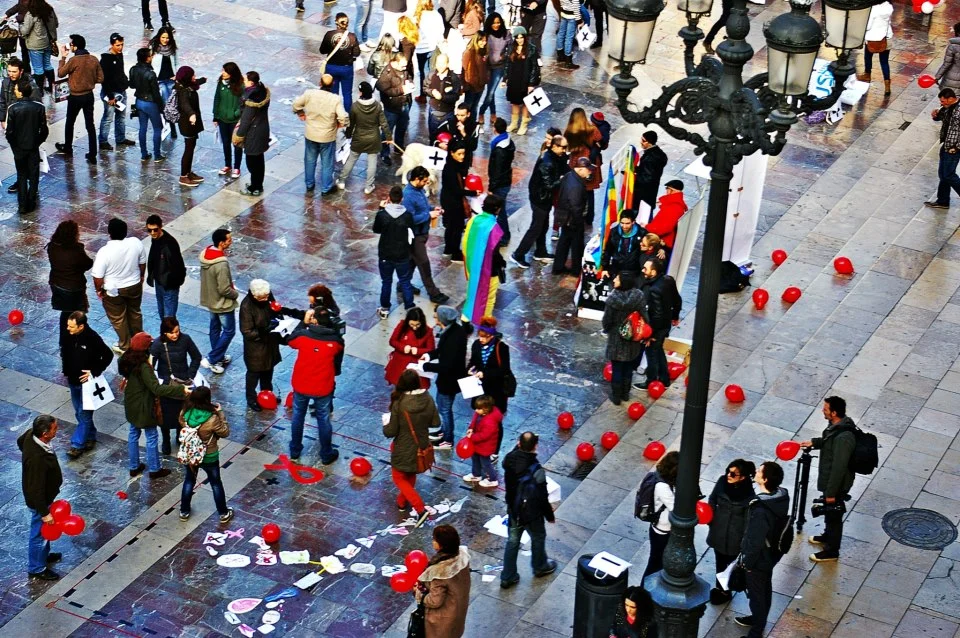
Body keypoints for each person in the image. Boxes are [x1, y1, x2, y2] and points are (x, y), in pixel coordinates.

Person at [118, 332, 189, 479]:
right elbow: (156, 388)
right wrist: (180, 389)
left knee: (133, 434)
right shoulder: (143, 366)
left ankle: (134, 466)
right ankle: (155, 469)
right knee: (151, 436)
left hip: (131, 403)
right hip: (144, 406)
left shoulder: (124, 359)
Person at [734, 461, 789, 638]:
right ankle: (759, 619)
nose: (756, 471)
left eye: (759, 471)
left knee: (757, 594)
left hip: (759, 559)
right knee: (765, 588)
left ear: (764, 479)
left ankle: (756, 631)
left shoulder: (760, 509)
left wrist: (747, 563)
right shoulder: (780, 498)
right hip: (771, 554)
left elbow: (754, 540)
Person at [798, 396, 855, 563]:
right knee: (830, 514)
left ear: (834, 413)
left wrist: (831, 492)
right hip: (830, 481)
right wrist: (814, 443)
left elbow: (839, 468)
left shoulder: (844, 437)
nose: (823, 411)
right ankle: (827, 536)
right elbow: (828, 442)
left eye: (826, 409)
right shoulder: (835, 427)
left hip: (836, 484)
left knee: (834, 515)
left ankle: (831, 551)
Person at [287, 308, 345, 464]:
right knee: (323, 419)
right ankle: (326, 453)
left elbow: (290, 340)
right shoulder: (335, 341)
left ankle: (295, 450)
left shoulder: (303, 336)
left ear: (314, 320)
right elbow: (339, 350)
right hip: (323, 386)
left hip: (301, 384)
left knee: (298, 416)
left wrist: (303, 323)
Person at [500, 431, 556, 588]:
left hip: (514, 509)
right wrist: (549, 515)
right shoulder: (536, 469)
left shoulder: (509, 459)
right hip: (532, 514)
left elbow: (511, 458)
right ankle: (540, 566)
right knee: (538, 537)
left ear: (518, 443)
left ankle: (507, 576)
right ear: (535, 447)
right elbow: (542, 496)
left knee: (512, 542)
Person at [384, 369, 440, 523]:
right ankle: (402, 502)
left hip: (402, 446)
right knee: (410, 474)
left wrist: (385, 424)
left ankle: (420, 509)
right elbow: (436, 423)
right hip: (421, 444)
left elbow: (390, 431)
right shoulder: (428, 398)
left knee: (398, 477)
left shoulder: (399, 403)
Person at [177, 386, 234, 524]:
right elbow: (225, 432)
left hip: (191, 454)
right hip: (209, 455)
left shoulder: (186, 412)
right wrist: (221, 414)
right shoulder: (212, 418)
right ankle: (223, 513)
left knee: (189, 480)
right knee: (215, 483)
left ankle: (184, 511)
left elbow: (181, 421)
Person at [61, 311, 113, 459]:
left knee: (84, 414)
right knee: (78, 412)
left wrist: (94, 371)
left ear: (81, 326)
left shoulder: (92, 338)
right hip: (73, 381)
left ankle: (77, 445)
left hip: (87, 384)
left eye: (71, 326)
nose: (68, 329)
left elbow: (108, 355)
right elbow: (65, 353)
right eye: (68, 326)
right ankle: (90, 436)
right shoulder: (68, 336)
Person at [510, 135, 568, 268]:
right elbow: (549, 185)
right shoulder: (547, 162)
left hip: (544, 198)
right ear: (554, 146)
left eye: (566, 147)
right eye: (562, 147)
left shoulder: (554, 157)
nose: (565, 150)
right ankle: (518, 254)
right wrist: (562, 179)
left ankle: (540, 251)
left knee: (543, 225)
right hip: (540, 199)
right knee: (536, 227)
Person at [92, 218, 147, 353]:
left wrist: (99, 290)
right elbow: (142, 262)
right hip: (134, 285)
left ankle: (125, 345)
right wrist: (141, 276)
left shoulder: (104, 252)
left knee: (118, 319)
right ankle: (139, 342)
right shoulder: (136, 243)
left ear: (109, 233)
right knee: (135, 312)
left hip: (113, 290)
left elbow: (97, 276)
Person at [18, 414, 63, 581]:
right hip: (40, 502)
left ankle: (42, 556)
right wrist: (45, 513)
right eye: (54, 429)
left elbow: (19, 441)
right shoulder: (37, 459)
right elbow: (36, 490)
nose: (56, 431)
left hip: (44, 498)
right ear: (45, 433)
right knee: (39, 533)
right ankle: (37, 567)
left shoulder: (31, 435)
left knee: (44, 532)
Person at [707, 458, 757, 605]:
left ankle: (725, 589)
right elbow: (712, 499)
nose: (729, 475)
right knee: (719, 560)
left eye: (734, 474)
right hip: (719, 530)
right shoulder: (722, 482)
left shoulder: (749, 496)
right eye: (729, 471)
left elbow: (748, 521)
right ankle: (720, 587)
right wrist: (712, 519)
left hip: (735, 536)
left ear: (742, 477)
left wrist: (744, 540)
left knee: (730, 564)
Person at [149, 317, 201, 455]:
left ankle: (179, 435)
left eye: (177, 331)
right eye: (171, 332)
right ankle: (165, 439)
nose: (175, 335)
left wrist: (190, 375)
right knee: (165, 415)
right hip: (167, 384)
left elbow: (196, 356)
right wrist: (159, 381)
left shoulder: (186, 339)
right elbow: (150, 366)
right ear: (164, 332)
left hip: (183, 382)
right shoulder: (158, 344)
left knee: (181, 412)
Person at [423, 306, 471, 449]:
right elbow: (442, 351)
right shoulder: (455, 330)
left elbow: (446, 366)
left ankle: (448, 440)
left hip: (448, 381)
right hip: (448, 380)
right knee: (442, 405)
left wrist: (426, 366)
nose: (435, 319)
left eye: (437, 317)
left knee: (445, 409)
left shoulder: (452, 338)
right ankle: (443, 431)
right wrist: (430, 355)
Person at [293, 74, 349, 195]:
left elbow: (296, 105)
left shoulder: (309, 94)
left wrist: (301, 113)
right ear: (333, 84)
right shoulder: (335, 99)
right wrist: (340, 125)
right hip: (327, 136)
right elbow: (343, 117)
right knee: (327, 163)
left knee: (309, 160)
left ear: (320, 83)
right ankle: (326, 187)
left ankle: (309, 184)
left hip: (311, 133)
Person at [403, 167, 450, 303]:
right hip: (415, 236)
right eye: (424, 181)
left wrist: (431, 209)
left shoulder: (418, 191)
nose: (426, 183)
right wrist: (428, 215)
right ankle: (433, 293)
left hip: (422, 233)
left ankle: (403, 284)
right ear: (416, 179)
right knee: (424, 263)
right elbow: (409, 219)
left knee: (412, 261)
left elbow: (422, 206)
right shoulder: (408, 196)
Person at [54, 34, 102, 165]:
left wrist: (63, 57)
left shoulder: (74, 61)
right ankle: (93, 153)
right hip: (89, 96)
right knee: (90, 125)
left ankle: (68, 147)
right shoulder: (93, 59)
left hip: (75, 96)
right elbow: (100, 78)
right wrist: (88, 81)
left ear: (75, 46)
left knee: (70, 122)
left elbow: (60, 73)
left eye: (71, 44)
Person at [415, 525, 471, 637]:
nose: (433, 542)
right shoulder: (462, 556)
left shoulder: (440, 572)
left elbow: (435, 601)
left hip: (442, 622)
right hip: (457, 611)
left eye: (434, 539)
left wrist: (418, 593)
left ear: (441, 545)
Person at [602, 271, 648, 404]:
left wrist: (608, 330)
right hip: (632, 339)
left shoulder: (612, 299)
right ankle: (625, 394)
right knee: (628, 367)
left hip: (616, 339)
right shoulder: (638, 296)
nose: (614, 280)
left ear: (622, 283)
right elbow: (644, 315)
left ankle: (616, 397)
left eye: (616, 278)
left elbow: (607, 320)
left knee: (617, 368)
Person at [337, 81, 390, 195]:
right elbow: (384, 123)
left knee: (351, 159)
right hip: (374, 138)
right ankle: (368, 186)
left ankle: (341, 180)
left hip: (359, 138)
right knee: (372, 163)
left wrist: (348, 136)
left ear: (361, 93)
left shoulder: (355, 106)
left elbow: (351, 124)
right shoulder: (377, 105)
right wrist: (389, 137)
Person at [635, 258, 681, 390]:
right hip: (665, 323)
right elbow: (677, 300)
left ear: (654, 272)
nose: (643, 270)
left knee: (651, 352)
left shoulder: (654, 289)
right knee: (658, 350)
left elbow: (657, 314)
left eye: (646, 269)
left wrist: (650, 335)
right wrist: (675, 316)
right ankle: (664, 379)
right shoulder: (668, 280)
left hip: (657, 327)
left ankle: (651, 381)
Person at [239, 279, 283, 412]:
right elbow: (247, 332)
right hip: (256, 349)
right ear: (254, 295)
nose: (266, 299)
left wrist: (278, 316)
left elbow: (274, 307)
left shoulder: (267, 295)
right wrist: (266, 329)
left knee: (268, 370)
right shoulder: (246, 306)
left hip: (270, 344)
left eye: (267, 296)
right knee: (254, 374)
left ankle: (267, 394)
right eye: (262, 297)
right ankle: (251, 398)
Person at [199, 228, 239, 375]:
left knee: (215, 328)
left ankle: (218, 357)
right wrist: (235, 295)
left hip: (210, 299)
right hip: (222, 303)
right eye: (229, 240)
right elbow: (224, 289)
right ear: (222, 243)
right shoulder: (221, 264)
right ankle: (212, 358)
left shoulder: (206, 254)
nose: (231, 242)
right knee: (229, 331)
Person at [5, 77, 47, 214]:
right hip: (33, 147)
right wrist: (37, 142)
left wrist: (15, 146)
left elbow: (9, 132)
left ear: (21, 92)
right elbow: (44, 130)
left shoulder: (13, 108)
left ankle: (22, 205)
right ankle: (32, 201)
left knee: (21, 175)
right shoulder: (39, 107)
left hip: (19, 149)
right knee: (34, 176)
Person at [47, 220, 93, 345]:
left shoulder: (51, 246)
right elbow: (88, 264)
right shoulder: (76, 250)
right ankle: (77, 340)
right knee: (78, 315)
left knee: (65, 312)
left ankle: (64, 340)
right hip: (74, 288)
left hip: (57, 285)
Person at [375, 185, 416, 318]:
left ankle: (385, 308)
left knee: (386, 282)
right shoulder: (407, 216)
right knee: (405, 281)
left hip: (386, 254)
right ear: (402, 199)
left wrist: (381, 209)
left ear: (389, 198)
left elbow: (376, 229)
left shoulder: (382, 215)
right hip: (402, 254)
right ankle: (410, 308)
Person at [462, 195, 505, 320]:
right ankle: (486, 324)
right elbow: (495, 253)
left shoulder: (473, 220)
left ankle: (465, 319)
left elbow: (465, 243)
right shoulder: (494, 228)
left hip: (472, 265)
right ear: (497, 209)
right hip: (489, 270)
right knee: (489, 298)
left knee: (472, 293)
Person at [552, 157, 593, 276]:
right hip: (573, 220)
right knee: (577, 245)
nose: (590, 171)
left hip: (565, 217)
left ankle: (558, 267)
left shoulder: (569, 176)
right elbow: (576, 206)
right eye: (588, 169)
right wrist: (579, 222)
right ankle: (575, 270)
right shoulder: (576, 185)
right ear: (580, 169)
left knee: (564, 242)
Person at [642, 450, 677, 580]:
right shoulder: (662, 486)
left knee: (658, 561)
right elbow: (675, 507)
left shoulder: (664, 479)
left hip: (663, 527)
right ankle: (644, 588)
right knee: (656, 562)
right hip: (662, 529)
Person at [233, 71, 270, 197]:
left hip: (253, 134)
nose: (243, 82)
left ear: (251, 82)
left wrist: (239, 136)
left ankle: (255, 187)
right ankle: (259, 185)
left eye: (245, 80)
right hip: (262, 130)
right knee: (259, 159)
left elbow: (246, 120)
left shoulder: (251, 100)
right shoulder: (262, 92)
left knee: (252, 162)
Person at [563, 107, 602, 224]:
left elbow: (567, 147)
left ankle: (576, 216)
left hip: (576, 163)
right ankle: (589, 218)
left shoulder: (569, 131)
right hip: (590, 162)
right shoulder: (593, 130)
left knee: (576, 190)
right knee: (589, 191)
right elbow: (602, 144)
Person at [145, 214, 186, 321]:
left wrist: (172, 282)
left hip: (169, 285)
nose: (152, 233)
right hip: (160, 282)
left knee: (169, 319)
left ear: (160, 227)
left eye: (155, 230)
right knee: (162, 314)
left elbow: (178, 265)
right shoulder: (156, 239)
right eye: (150, 230)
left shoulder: (169, 244)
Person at [925, 88, 960, 210]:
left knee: (948, 175)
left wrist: (956, 147)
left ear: (951, 99)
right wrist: (935, 114)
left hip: (953, 148)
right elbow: (940, 117)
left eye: (944, 101)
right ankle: (943, 201)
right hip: (946, 145)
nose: (942, 104)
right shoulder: (947, 108)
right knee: (943, 175)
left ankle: (943, 200)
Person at [319, 13, 361, 111]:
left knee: (333, 93)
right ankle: (348, 116)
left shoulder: (329, 34)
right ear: (347, 23)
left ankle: (333, 113)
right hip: (346, 68)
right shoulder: (352, 37)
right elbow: (357, 53)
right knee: (347, 94)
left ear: (336, 22)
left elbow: (322, 50)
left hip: (331, 67)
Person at [129, 47, 165, 162]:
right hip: (150, 103)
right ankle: (157, 155)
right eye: (150, 56)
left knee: (142, 128)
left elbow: (132, 85)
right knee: (157, 128)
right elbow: (155, 93)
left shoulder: (133, 69)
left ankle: (144, 154)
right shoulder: (151, 74)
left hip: (139, 101)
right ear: (147, 58)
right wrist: (161, 107)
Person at [98, 33, 133, 151]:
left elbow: (120, 71)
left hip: (121, 91)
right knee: (108, 117)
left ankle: (120, 138)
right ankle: (103, 141)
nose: (120, 47)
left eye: (122, 45)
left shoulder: (119, 55)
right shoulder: (105, 59)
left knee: (121, 116)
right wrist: (110, 96)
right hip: (112, 93)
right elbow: (104, 79)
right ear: (112, 45)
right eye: (118, 45)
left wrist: (125, 82)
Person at [440, 141, 474, 262]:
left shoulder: (453, 165)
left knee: (451, 226)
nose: (462, 156)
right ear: (452, 153)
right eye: (459, 154)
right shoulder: (450, 169)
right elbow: (457, 190)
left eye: (463, 154)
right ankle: (455, 252)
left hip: (448, 199)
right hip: (452, 202)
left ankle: (448, 249)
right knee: (456, 227)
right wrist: (473, 193)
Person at [376, 53, 412, 167]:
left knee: (402, 128)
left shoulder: (404, 70)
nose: (404, 68)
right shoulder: (386, 74)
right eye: (402, 66)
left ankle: (399, 147)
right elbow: (384, 89)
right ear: (395, 63)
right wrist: (401, 89)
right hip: (391, 107)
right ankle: (384, 153)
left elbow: (408, 76)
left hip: (404, 104)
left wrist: (409, 83)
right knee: (387, 132)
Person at [174, 66, 207, 187]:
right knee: (188, 149)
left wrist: (202, 80)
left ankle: (188, 172)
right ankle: (183, 176)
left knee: (191, 147)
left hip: (191, 124)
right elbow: (185, 104)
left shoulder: (186, 85)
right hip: (187, 124)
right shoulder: (183, 91)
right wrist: (192, 114)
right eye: (192, 75)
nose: (194, 77)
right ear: (187, 77)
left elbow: (195, 82)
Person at [386, 307, 435, 388]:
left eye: (417, 324)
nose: (415, 327)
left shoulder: (428, 331)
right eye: (412, 324)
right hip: (400, 363)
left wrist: (418, 351)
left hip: (416, 366)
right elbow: (392, 341)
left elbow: (431, 350)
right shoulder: (402, 325)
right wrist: (403, 347)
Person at [503, 27, 539, 135]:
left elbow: (535, 67)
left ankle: (524, 124)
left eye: (521, 37)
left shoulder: (531, 49)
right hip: (514, 79)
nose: (519, 40)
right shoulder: (511, 48)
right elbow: (507, 65)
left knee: (525, 103)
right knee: (514, 102)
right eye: (517, 38)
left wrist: (531, 83)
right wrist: (505, 79)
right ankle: (514, 123)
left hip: (525, 79)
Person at [212, 62, 245, 179]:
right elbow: (217, 98)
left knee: (236, 144)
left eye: (225, 71)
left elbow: (243, 103)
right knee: (225, 143)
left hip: (235, 120)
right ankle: (227, 165)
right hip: (222, 119)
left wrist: (236, 113)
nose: (223, 73)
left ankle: (237, 167)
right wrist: (216, 115)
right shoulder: (220, 83)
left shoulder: (240, 85)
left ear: (231, 73)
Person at [478, 13, 510, 126]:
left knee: (491, 92)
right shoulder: (486, 34)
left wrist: (505, 56)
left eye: (498, 22)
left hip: (499, 67)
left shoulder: (506, 34)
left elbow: (511, 49)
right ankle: (493, 113)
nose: (496, 25)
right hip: (487, 67)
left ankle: (481, 112)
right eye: (494, 23)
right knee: (490, 92)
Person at [463, 395, 502, 487]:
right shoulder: (481, 412)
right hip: (477, 444)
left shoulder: (490, 422)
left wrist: (471, 436)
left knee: (486, 463)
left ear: (485, 409)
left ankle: (493, 479)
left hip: (485, 446)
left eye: (478, 409)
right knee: (475, 458)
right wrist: (471, 427)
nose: (476, 410)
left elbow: (484, 436)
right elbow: (475, 418)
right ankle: (476, 474)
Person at [18, 0, 57, 94]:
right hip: (48, 42)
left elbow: (24, 31)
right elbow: (56, 24)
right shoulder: (50, 10)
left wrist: (20, 26)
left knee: (38, 68)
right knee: (47, 64)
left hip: (35, 45)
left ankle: (40, 91)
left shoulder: (32, 14)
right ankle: (52, 87)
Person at [487, 117, 515, 242]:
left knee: (500, 211)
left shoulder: (499, 149)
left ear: (495, 129)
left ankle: (504, 237)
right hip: (505, 180)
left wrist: (492, 187)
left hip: (500, 183)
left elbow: (497, 170)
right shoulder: (508, 142)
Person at [857, 1, 893, 96]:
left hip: (873, 38)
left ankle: (867, 75)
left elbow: (868, 26)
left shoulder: (873, 9)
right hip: (887, 37)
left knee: (868, 57)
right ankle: (887, 85)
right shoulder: (889, 7)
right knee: (884, 62)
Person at [644, 180, 687, 254]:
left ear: (670, 190)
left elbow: (665, 228)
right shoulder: (676, 204)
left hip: (661, 241)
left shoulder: (674, 207)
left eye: (667, 188)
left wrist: (647, 228)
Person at [426, 52, 461, 140]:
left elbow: (455, 96)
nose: (440, 66)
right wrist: (431, 92)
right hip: (434, 111)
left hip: (448, 113)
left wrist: (442, 97)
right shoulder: (431, 75)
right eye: (438, 63)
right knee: (433, 137)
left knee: (448, 138)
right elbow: (425, 88)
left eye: (442, 63)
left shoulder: (454, 78)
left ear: (448, 64)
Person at [149, 26, 177, 138]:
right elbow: (149, 63)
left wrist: (176, 75)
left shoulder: (172, 49)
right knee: (165, 102)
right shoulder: (153, 48)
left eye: (167, 38)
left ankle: (172, 124)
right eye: (163, 37)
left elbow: (176, 63)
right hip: (159, 80)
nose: (165, 40)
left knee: (172, 103)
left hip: (170, 79)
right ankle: (169, 126)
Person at [414, 0, 444, 103]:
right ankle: (432, 92)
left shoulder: (417, 15)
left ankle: (423, 94)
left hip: (420, 48)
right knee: (431, 71)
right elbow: (441, 30)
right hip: (432, 47)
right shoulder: (436, 14)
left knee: (422, 72)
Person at [631, 131, 668, 213]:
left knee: (640, 216)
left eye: (643, 141)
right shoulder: (660, 154)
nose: (641, 142)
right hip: (651, 194)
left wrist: (633, 176)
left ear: (650, 143)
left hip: (642, 195)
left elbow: (646, 178)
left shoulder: (650, 159)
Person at [600, 213, 643, 278]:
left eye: (627, 223)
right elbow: (607, 251)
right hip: (616, 269)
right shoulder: (614, 232)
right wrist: (605, 268)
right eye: (622, 223)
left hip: (634, 270)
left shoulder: (641, 233)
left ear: (633, 222)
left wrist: (661, 249)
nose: (624, 226)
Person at [461, 32, 488, 120]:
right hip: (471, 86)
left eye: (485, 40)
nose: (484, 43)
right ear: (476, 40)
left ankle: (471, 126)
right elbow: (464, 69)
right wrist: (464, 85)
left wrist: (485, 79)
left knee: (475, 107)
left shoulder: (483, 52)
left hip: (480, 85)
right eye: (482, 40)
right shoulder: (469, 52)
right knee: (467, 108)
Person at [556, 0, 581, 69]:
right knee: (569, 38)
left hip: (564, 13)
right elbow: (576, 7)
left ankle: (560, 55)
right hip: (572, 16)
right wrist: (579, 20)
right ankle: (568, 61)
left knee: (561, 34)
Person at [935, 22, 960, 91]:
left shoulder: (953, 46)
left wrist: (937, 77)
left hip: (951, 80)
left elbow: (947, 64)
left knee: (950, 99)